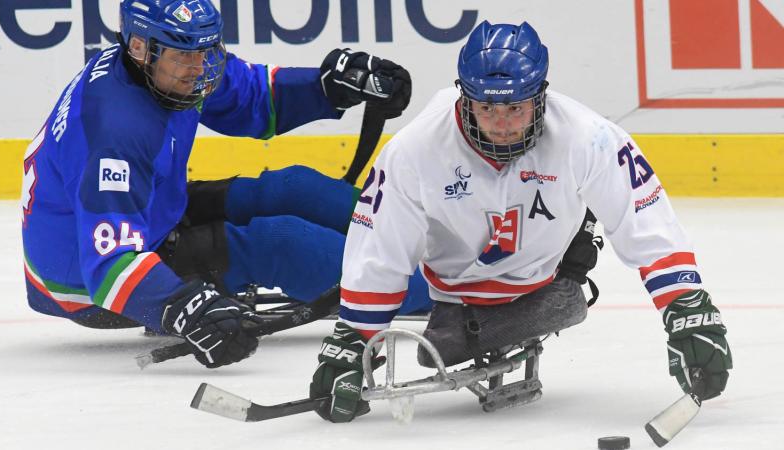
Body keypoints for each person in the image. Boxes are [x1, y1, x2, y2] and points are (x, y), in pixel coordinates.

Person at [309, 20, 733, 422]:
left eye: (515, 107)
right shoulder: (414, 151)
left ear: (540, 95)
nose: (501, 124)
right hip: (458, 292)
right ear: (464, 96)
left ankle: (564, 264)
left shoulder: (587, 136)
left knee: (563, 267)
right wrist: (354, 340)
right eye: (487, 107)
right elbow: (380, 246)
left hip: (550, 273)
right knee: (438, 347)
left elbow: (643, 216)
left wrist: (687, 309)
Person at [20, 0, 427, 369]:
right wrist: (183, 306)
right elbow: (108, 266)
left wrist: (328, 87)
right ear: (140, 48)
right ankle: (439, 289)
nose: (199, 69)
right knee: (283, 244)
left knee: (294, 188)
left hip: (149, 212)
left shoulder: (163, 68)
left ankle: (437, 244)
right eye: (185, 56)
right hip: (88, 284)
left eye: (205, 52)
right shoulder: (115, 132)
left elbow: (250, 98)